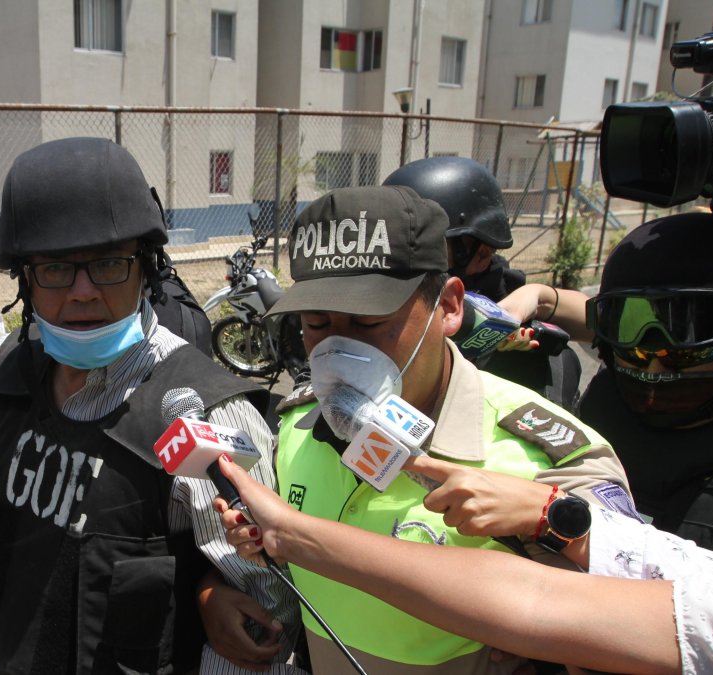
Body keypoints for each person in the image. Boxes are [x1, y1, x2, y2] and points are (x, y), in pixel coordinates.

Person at [0, 137, 298, 674]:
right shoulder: (7, 371)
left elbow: (264, 614)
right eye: (55, 269)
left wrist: (207, 595)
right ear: (24, 280)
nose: (81, 292)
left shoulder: (201, 409)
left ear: (144, 268)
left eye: (107, 265)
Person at [259, 185, 635, 673]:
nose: (338, 351)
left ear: (449, 306)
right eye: (317, 321)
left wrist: (555, 590)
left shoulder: (544, 460)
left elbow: (637, 615)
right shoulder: (295, 424)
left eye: (370, 321)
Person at [212, 456, 713, 675]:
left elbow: (540, 602)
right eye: (316, 322)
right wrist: (549, 516)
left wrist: (291, 535)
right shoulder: (299, 423)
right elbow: (681, 570)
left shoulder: (534, 441)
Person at [501, 212, 713, 552]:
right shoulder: (612, 386)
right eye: (630, 329)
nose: (655, 358)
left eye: (687, 334)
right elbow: (588, 315)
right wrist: (536, 297)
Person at [383, 156, 581, 408]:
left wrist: (537, 296)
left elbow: (600, 320)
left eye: (423, 244)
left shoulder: (524, 352)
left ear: (483, 250)